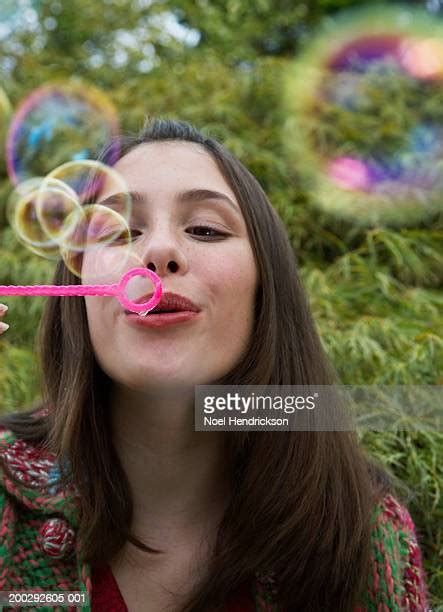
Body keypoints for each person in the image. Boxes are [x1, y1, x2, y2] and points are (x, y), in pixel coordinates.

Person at [0, 118, 430, 611]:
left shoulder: (365, 532)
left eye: (205, 228)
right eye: (120, 232)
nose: (159, 251)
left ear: (265, 290)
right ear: (76, 294)